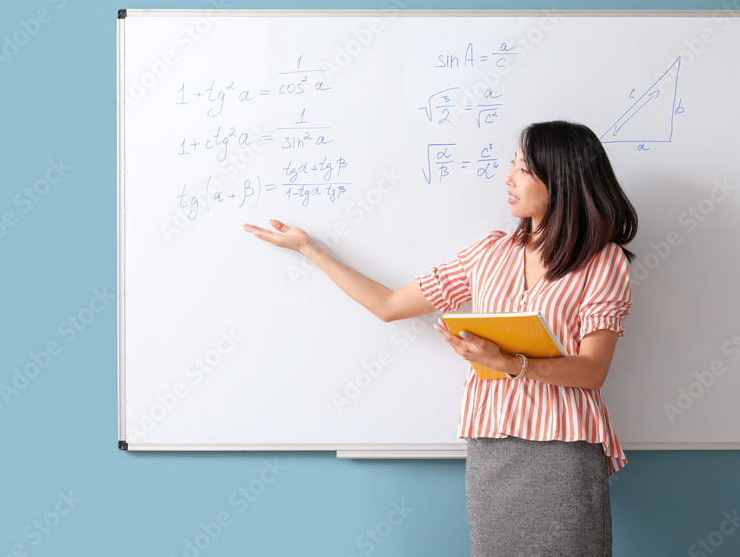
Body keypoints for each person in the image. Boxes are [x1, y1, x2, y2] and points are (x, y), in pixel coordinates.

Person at [243, 120, 637, 556]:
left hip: (565, 448)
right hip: (493, 447)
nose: (507, 178)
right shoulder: (489, 253)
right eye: (512, 166)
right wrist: (309, 249)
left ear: (560, 178)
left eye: (522, 169)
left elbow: (593, 370)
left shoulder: (604, 261)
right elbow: (390, 305)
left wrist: (510, 363)